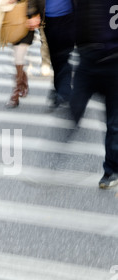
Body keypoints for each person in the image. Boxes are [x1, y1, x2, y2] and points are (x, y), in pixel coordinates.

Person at [70, 0, 118, 189]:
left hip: (114, 61)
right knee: (74, 107)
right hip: (88, 58)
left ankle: (111, 170)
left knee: (114, 123)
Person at [6, 0, 45, 108]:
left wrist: (36, 15)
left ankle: (15, 93)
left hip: (28, 19)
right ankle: (23, 80)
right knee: (15, 54)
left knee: (19, 55)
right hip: (11, 18)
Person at [44, 0, 75, 110]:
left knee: (63, 56)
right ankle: (59, 90)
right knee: (55, 58)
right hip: (48, 19)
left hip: (68, 18)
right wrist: (31, 14)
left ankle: (64, 92)